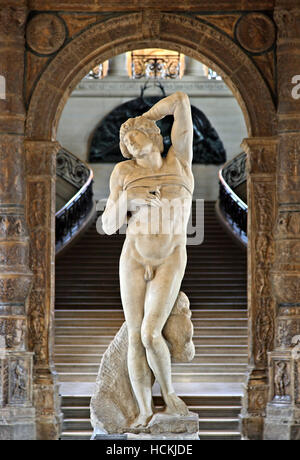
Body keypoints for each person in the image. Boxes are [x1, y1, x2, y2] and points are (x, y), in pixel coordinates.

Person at [102, 91, 194, 428]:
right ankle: (143, 410)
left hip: (170, 256)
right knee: (136, 334)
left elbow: (181, 100)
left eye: (133, 134)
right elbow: (109, 226)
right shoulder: (123, 172)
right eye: (125, 139)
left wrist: (146, 118)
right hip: (134, 258)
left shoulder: (179, 160)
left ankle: (169, 395)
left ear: (154, 135)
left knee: (151, 333)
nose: (128, 141)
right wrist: (127, 199)